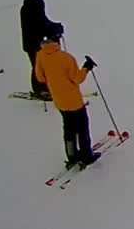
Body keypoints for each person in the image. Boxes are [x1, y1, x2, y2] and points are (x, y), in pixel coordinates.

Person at [33, 24, 100, 167]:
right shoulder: (66, 58)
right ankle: (87, 155)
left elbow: (40, 78)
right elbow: (77, 79)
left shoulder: (40, 56)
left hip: (59, 100)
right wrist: (86, 67)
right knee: (82, 128)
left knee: (68, 128)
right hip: (74, 101)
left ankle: (71, 155)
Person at [20, 0, 55, 99]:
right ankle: (40, 90)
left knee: (39, 66)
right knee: (38, 67)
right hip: (33, 45)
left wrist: (54, 27)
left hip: (34, 44)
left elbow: (43, 22)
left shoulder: (28, 9)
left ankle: (42, 88)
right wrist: (53, 30)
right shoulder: (33, 12)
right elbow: (41, 26)